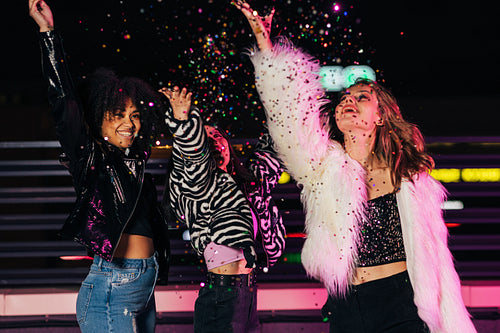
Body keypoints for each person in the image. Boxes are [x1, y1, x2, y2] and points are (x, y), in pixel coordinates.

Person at [234, 1, 477, 332]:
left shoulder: (409, 178)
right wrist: (267, 49)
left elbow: (437, 260)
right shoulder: (322, 167)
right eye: (344, 98)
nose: (348, 101)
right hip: (347, 305)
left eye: (361, 97)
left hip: (400, 302)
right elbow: (290, 115)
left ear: (379, 116)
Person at [29, 1, 169, 332]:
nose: (129, 124)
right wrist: (48, 34)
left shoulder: (135, 161)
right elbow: (64, 101)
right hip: (111, 287)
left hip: (141, 284)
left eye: (134, 115)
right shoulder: (89, 157)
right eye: (117, 115)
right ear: (98, 120)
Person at [159, 86, 286, 332]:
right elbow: (193, 159)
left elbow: (275, 145)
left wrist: (282, 94)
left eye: (218, 136)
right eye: (205, 138)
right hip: (222, 293)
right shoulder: (196, 185)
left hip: (248, 293)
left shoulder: (247, 186)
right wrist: (183, 123)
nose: (214, 142)